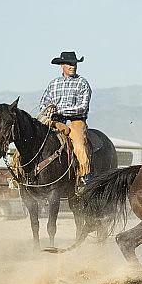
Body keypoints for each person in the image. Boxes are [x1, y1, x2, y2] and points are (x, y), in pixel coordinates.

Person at [39, 51, 92, 185]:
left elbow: (82, 107)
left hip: (75, 121)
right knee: (34, 137)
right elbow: (43, 103)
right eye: (69, 63)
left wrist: (60, 111)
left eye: (74, 63)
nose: (72, 66)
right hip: (55, 121)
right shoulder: (53, 84)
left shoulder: (82, 83)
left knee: (79, 145)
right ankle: (19, 172)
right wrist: (48, 109)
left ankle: (84, 176)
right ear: (61, 65)